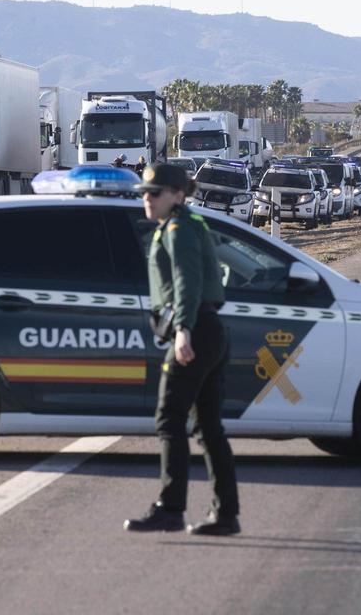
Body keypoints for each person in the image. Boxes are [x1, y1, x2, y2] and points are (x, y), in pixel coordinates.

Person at [125, 163, 239, 536]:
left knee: (169, 417)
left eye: (154, 192)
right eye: (144, 192)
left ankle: (171, 508)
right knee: (208, 428)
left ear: (177, 194)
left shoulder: (178, 228)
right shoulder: (183, 223)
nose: (147, 198)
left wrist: (183, 331)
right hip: (207, 329)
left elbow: (186, 282)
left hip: (195, 330)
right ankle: (225, 515)